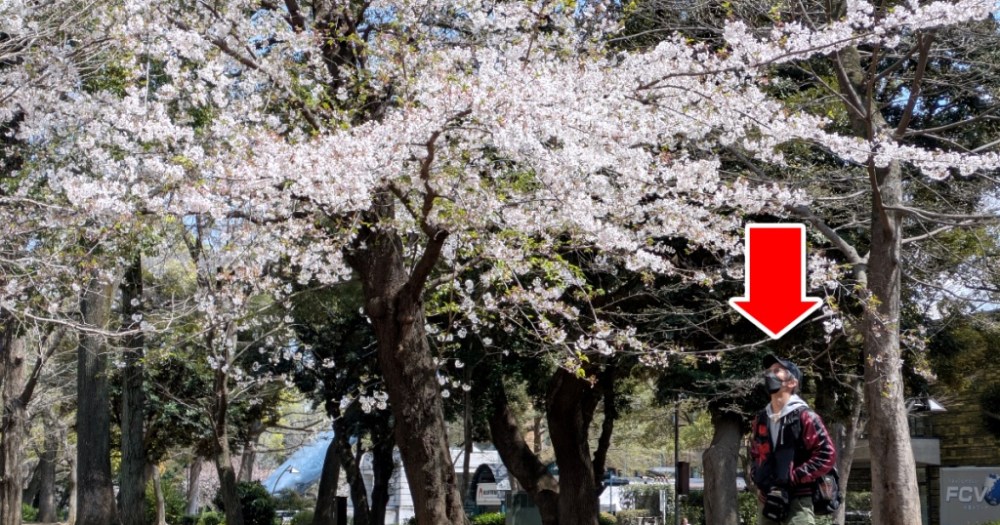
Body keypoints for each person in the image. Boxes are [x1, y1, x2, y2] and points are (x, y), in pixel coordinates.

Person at [749, 355, 837, 525]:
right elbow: (755, 453)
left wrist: (795, 476)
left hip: (798, 499)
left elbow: (827, 454)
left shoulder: (805, 416)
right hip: (767, 498)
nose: (769, 375)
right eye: (768, 371)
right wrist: (758, 477)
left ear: (792, 382)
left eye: (777, 371)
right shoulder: (761, 418)